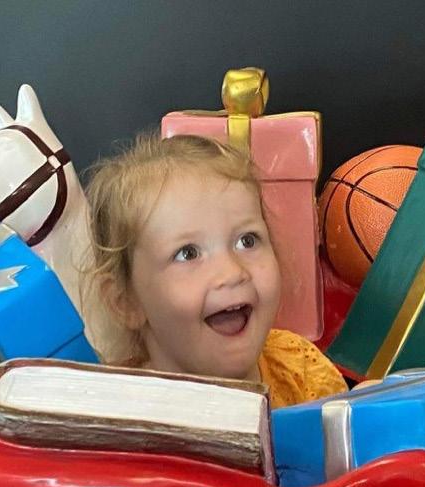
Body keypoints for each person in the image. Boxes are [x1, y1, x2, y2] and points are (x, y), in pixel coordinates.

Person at [82, 132, 346, 408]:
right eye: (188, 253)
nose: (232, 272)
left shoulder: (300, 369)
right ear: (125, 301)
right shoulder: (117, 414)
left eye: (247, 241)